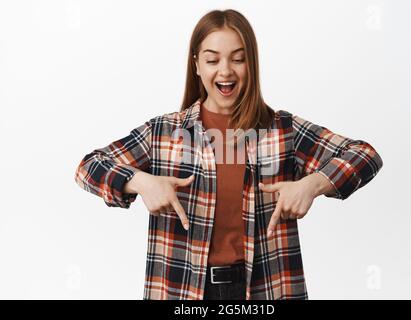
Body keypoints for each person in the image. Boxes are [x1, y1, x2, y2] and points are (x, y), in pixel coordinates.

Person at [74, 9, 383, 300]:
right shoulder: (164, 133)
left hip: (266, 289)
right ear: (196, 65)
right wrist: (140, 182)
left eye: (238, 59)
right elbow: (88, 167)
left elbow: (364, 155)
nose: (225, 71)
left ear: (252, 64)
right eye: (212, 60)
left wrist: (312, 185)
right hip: (181, 289)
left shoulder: (282, 130)